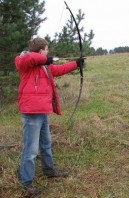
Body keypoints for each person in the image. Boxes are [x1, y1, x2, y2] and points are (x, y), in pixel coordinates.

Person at [14, 37, 84, 196]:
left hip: (43, 110)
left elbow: (58, 69)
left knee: (46, 143)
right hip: (32, 112)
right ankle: (26, 183)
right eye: (46, 50)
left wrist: (76, 63)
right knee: (30, 149)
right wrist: (46, 59)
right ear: (41, 51)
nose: (48, 53)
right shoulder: (24, 61)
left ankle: (49, 170)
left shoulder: (45, 66)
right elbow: (30, 57)